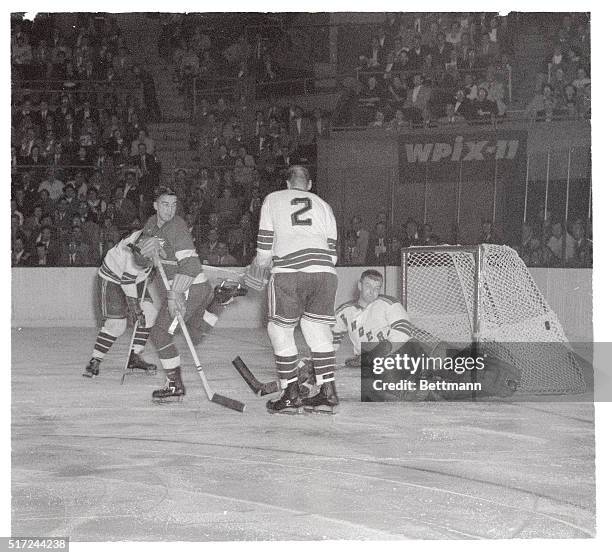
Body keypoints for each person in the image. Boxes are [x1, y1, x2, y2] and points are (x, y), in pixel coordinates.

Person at [248, 165, 339, 413]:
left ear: (287, 184)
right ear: (309, 185)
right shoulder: (323, 204)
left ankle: (290, 394)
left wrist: (260, 265)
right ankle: (327, 392)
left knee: (279, 330)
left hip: (289, 272)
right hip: (325, 273)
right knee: (317, 330)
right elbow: (332, 252)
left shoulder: (273, 199)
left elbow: (265, 243)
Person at [139, 188, 243, 400]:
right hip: (198, 288)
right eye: (165, 204)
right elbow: (142, 258)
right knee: (194, 336)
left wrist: (173, 295)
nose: (170, 210)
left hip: (188, 287)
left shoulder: (177, 227)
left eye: (174, 204)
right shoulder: (151, 224)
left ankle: (174, 385)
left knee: (160, 335)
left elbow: (190, 266)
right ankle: (218, 301)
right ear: (155, 205)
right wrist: (142, 252)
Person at [83, 229, 158, 378]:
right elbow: (127, 283)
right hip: (113, 279)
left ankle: (135, 356)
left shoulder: (157, 242)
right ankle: (95, 359)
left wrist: (153, 269)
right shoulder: (129, 258)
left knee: (150, 313)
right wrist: (136, 309)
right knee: (117, 325)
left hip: (136, 279)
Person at [332, 269, 423, 367]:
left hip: (393, 356)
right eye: (368, 286)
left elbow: (403, 330)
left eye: (377, 288)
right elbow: (331, 336)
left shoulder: (389, 303)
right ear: (360, 285)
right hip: (366, 362)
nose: (372, 292)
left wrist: (375, 354)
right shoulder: (345, 311)